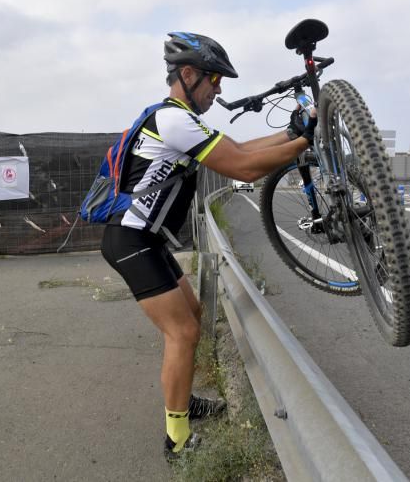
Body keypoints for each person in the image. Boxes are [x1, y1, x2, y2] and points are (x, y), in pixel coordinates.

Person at [100, 31, 316, 460]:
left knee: (192, 317)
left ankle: (182, 404)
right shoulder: (174, 120)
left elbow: (238, 147)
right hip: (130, 239)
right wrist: (303, 142)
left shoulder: (179, 118)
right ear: (187, 74)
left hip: (147, 238)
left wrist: (289, 134)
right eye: (214, 80)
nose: (219, 90)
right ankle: (176, 440)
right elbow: (245, 167)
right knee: (183, 331)